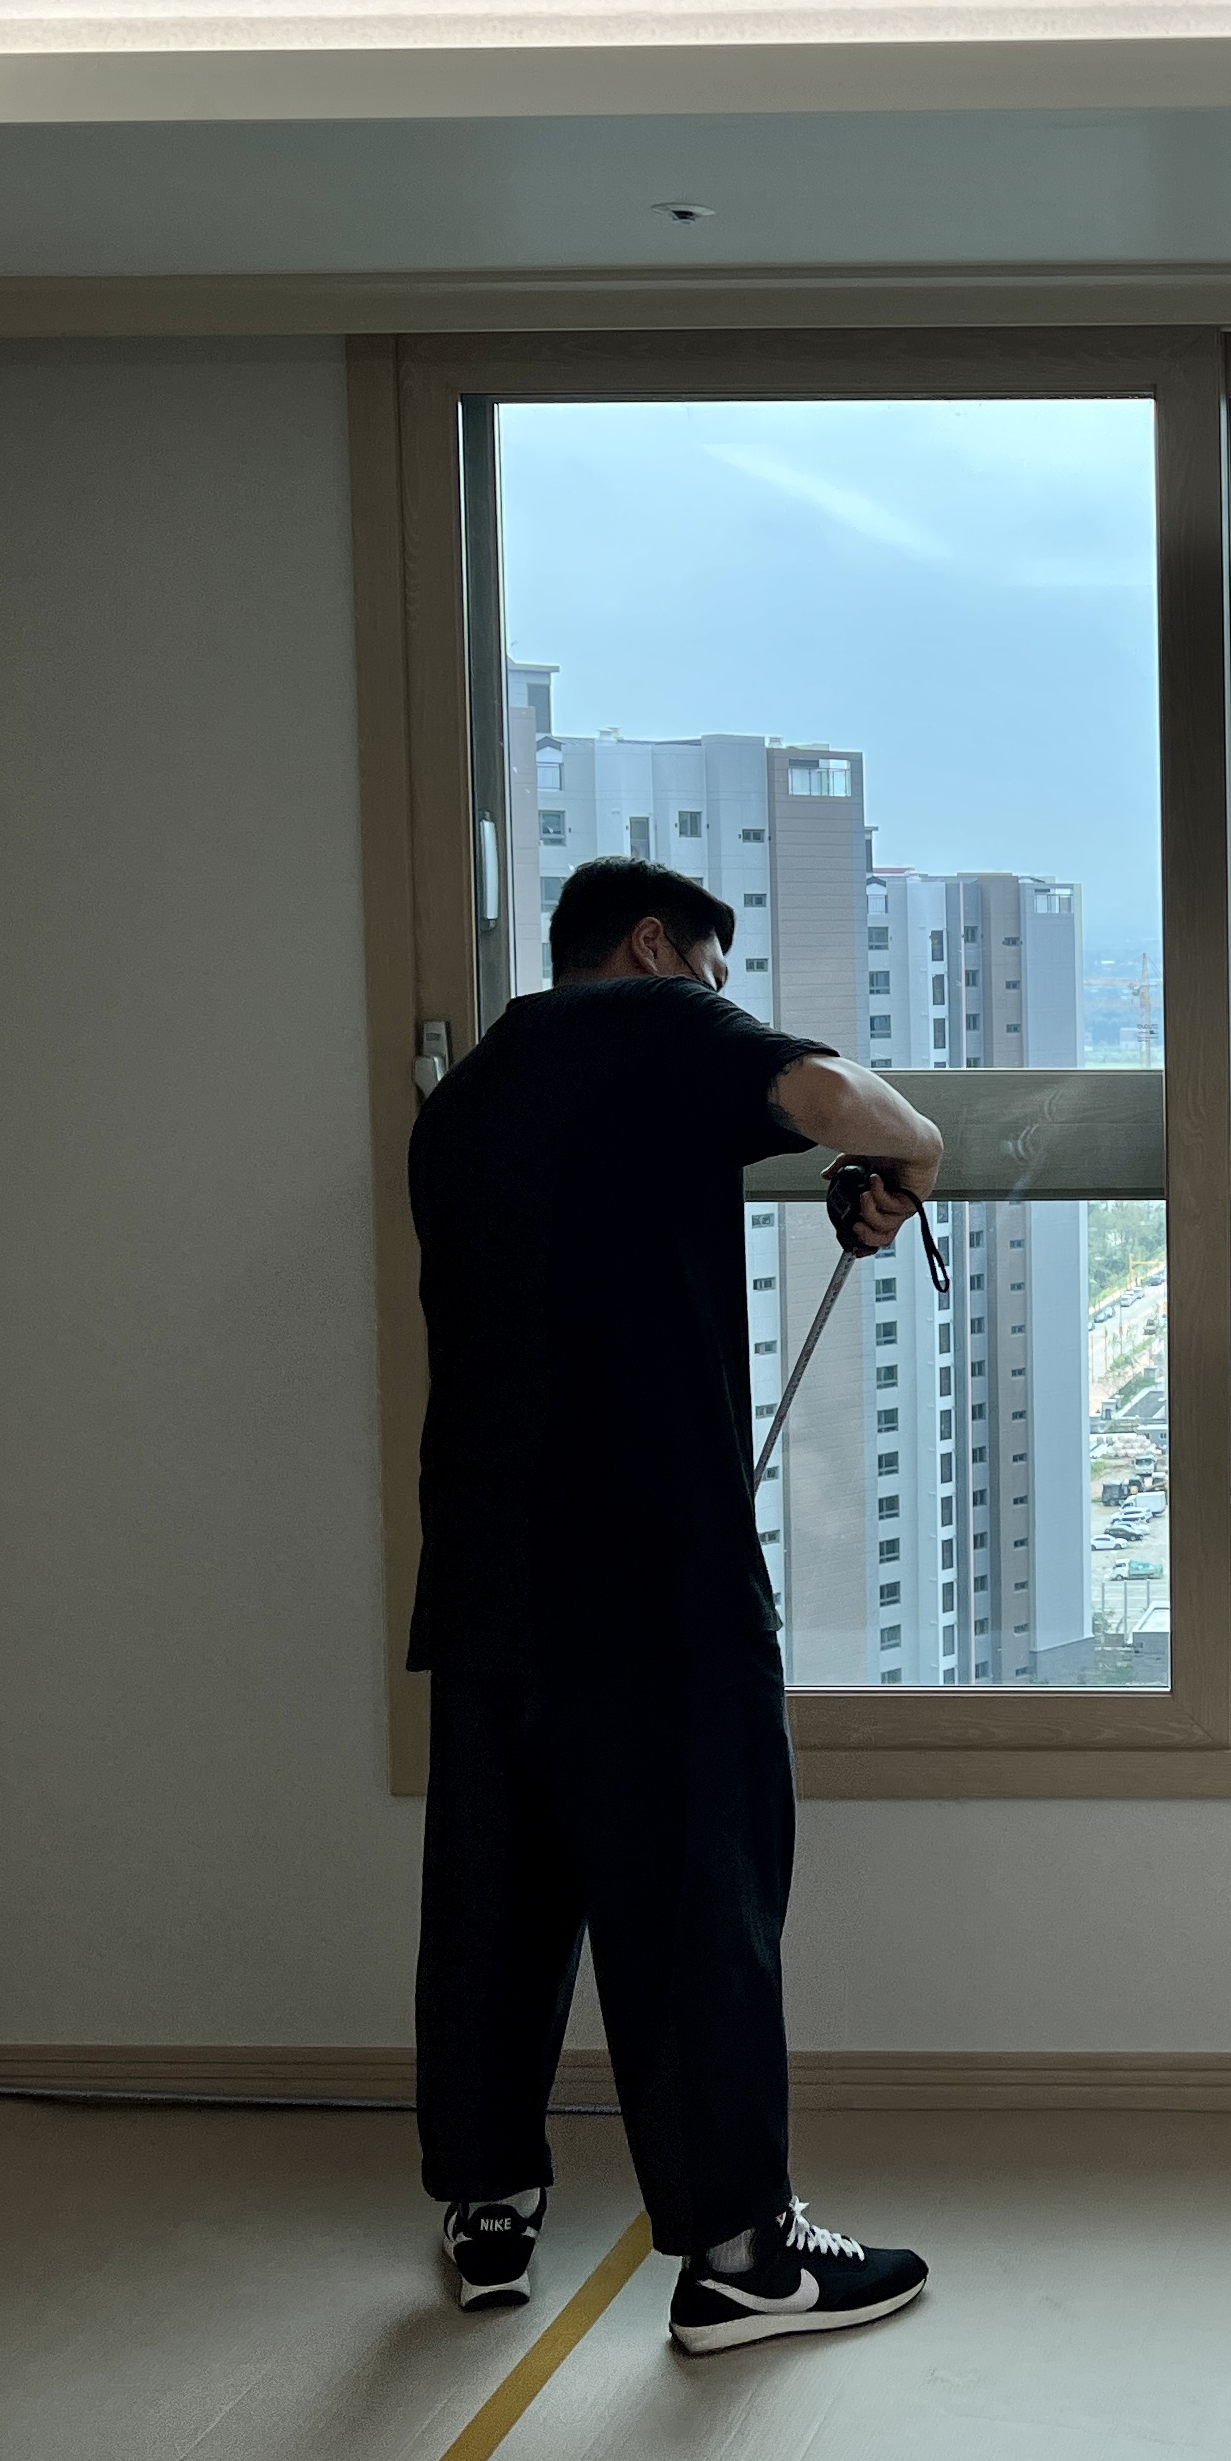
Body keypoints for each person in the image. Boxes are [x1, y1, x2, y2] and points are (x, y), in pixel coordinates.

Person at [404, 854, 945, 2356]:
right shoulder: (651, 1022)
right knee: (699, 1894)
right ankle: (741, 2257)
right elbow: (849, 1106)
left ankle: (488, 2203)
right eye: (714, 969)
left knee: (497, 1903)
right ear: (652, 945)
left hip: (486, 1564)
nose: (721, 996)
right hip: (651, 1571)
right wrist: (909, 1157)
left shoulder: (469, 1095)